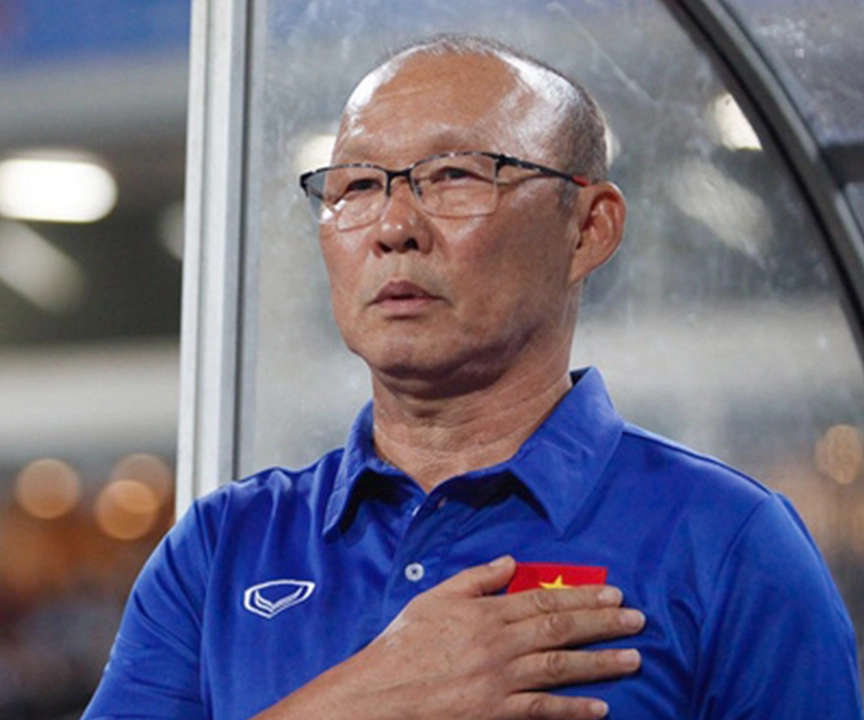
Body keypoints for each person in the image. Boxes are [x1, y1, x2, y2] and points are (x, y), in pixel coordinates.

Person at [82, 34, 864, 720]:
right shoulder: (223, 548)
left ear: (588, 229)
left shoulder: (727, 545)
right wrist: (364, 700)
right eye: (357, 186)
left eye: (455, 175)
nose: (394, 227)